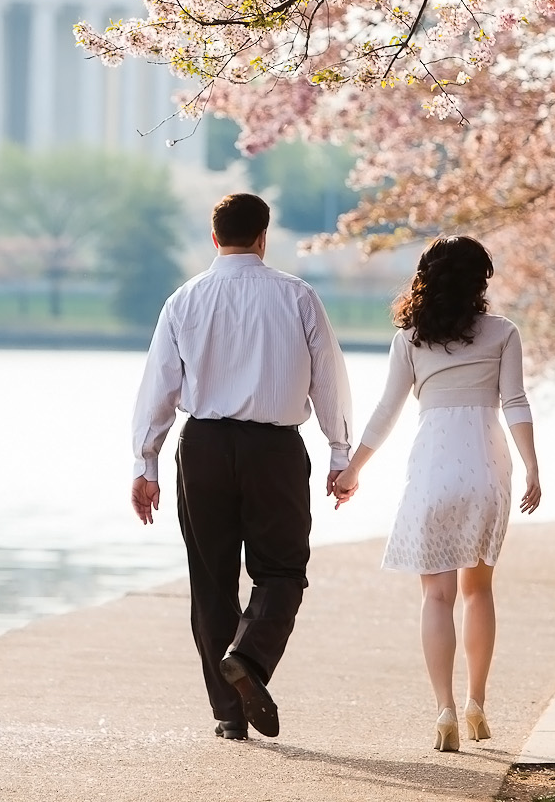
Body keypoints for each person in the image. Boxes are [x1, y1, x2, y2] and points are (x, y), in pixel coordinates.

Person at [130, 192, 353, 741]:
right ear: (263, 236)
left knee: (211, 582)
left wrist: (146, 463)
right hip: (274, 449)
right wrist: (339, 451)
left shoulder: (183, 301)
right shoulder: (298, 297)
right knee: (281, 572)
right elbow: (329, 377)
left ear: (214, 238)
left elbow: (159, 385)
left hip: (202, 446)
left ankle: (229, 714)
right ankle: (249, 660)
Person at [332, 235, 541, 752]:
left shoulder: (410, 338)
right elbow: (514, 401)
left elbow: (387, 410)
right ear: (480, 282)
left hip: (432, 466)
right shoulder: (504, 333)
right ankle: (477, 704)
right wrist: (534, 466)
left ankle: (444, 710)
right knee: (478, 592)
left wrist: (353, 469)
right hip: (487, 465)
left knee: (437, 596)